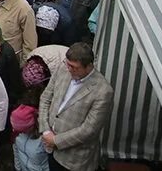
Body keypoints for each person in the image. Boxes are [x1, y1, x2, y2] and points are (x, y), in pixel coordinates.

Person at [39, 43, 114, 171]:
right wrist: (45, 130)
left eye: (74, 67)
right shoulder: (63, 69)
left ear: (89, 66)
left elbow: (89, 129)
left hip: (74, 161)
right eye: (67, 64)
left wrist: (56, 141)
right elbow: (46, 98)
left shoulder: (103, 91)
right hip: (50, 148)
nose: (69, 69)